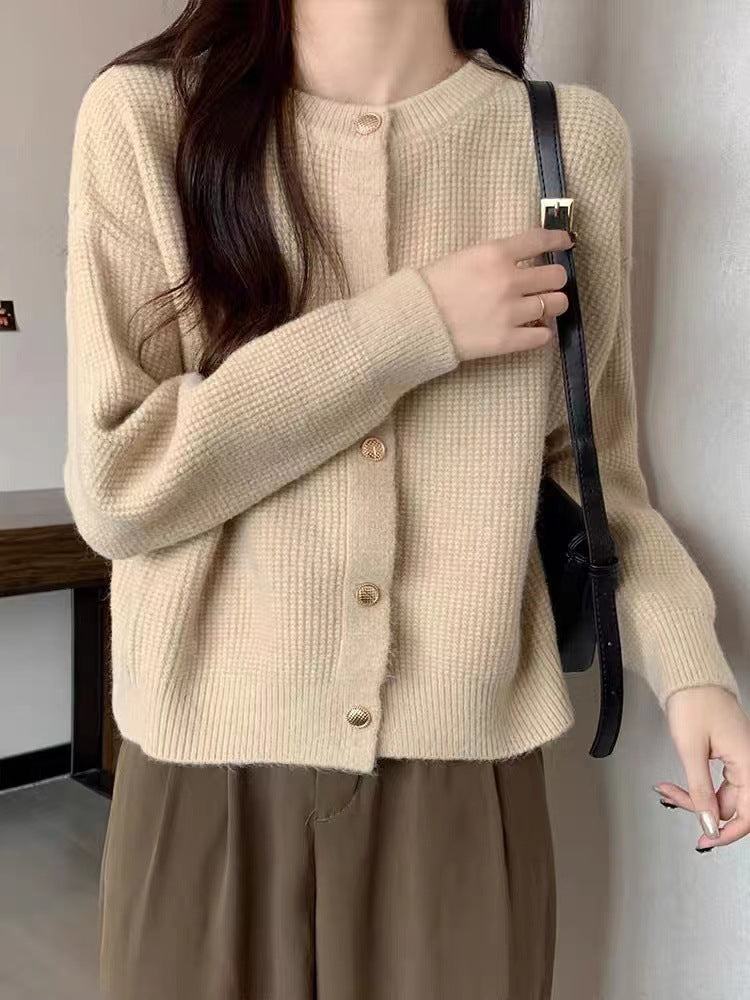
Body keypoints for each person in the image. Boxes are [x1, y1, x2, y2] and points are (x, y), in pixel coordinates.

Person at [63, 1, 750, 997]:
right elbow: (120, 483)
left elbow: (588, 474)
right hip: (204, 784)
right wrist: (414, 324)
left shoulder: (568, 142)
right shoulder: (145, 119)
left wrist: (693, 670)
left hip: (461, 790)